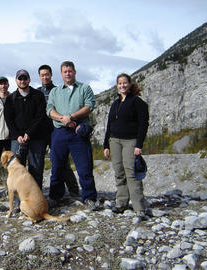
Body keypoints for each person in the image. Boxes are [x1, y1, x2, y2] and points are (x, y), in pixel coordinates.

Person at [46, 61, 100, 210]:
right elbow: (49, 110)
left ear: (74, 72)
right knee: (57, 167)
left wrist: (72, 116)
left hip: (78, 132)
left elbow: (89, 106)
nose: (68, 73)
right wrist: (63, 119)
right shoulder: (55, 92)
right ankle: (55, 196)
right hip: (59, 133)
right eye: (65, 71)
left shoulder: (84, 88)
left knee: (84, 167)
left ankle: (89, 197)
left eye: (70, 71)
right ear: (61, 74)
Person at [103, 73, 149, 219]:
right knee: (119, 171)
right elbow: (109, 125)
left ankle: (139, 207)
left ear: (129, 84)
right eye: (119, 83)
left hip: (131, 141)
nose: (122, 85)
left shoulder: (138, 102)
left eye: (124, 83)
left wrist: (139, 144)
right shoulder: (115, 103)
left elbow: (143, 125)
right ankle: (121, 203)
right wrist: (106, 145)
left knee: (132, 173)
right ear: (117, 86)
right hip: (114, 141)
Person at [37, 64, 80, 198]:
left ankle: (73, 189)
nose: (45, 77)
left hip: (56, 129)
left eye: (47, 74)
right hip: (40, 131)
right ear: (39, 76)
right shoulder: (37, 92)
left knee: (62, 161)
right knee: (38, 162)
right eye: (42, 75)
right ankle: (38, 191)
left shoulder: (58, 90)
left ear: (51, 75)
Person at [4, 69, 48, 189]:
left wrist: (29, 133)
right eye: (20, 78)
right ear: (16, 80)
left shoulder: (38, 95)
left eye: (25, 78)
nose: (22, 81)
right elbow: (9, 120)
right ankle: (19, 201)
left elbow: (40, 116)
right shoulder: (11, 98)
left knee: (36, 169)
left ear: (29, 79)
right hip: (16, 138)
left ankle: (36, 198)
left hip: (37, 137)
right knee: (17, 169)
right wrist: (17, 135)